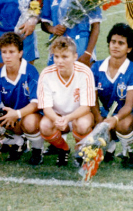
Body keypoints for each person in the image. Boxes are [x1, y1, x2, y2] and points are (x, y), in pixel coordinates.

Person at [90, 23, 133, 169]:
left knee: (122, 124)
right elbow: (93, 99)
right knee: (89, 120)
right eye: (113, 42)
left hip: (130, 113)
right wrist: (98, 118)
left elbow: (128, 106)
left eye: (121, 43)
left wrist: (114, 119)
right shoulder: (96, 67)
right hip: (108, 110)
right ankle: (110, 148)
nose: (116, 46)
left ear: (129, 48)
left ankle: (129, 152)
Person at [38, 36, 96, 166]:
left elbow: (86, 107)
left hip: (78, 115)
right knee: (45, 126)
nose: (59, 61)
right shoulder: (46, 74)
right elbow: (46, 107)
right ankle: (63, 148)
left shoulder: (85, 72)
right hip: (57, 115)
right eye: (56, 56)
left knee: (83, 124)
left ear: (75, 56)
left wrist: (68, 118)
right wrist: (57, 119)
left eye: (65, 57)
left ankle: (80, 150)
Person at [0, 32, 43, 165]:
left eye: (12, 51)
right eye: (4, 52)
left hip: (29, 114)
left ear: (20, 53)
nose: (7, 56)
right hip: (10, 117)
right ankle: (17, 142)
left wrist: (16, 114)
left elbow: (36, 103)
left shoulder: (31, 72)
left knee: (29, 122)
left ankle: (37, 149)